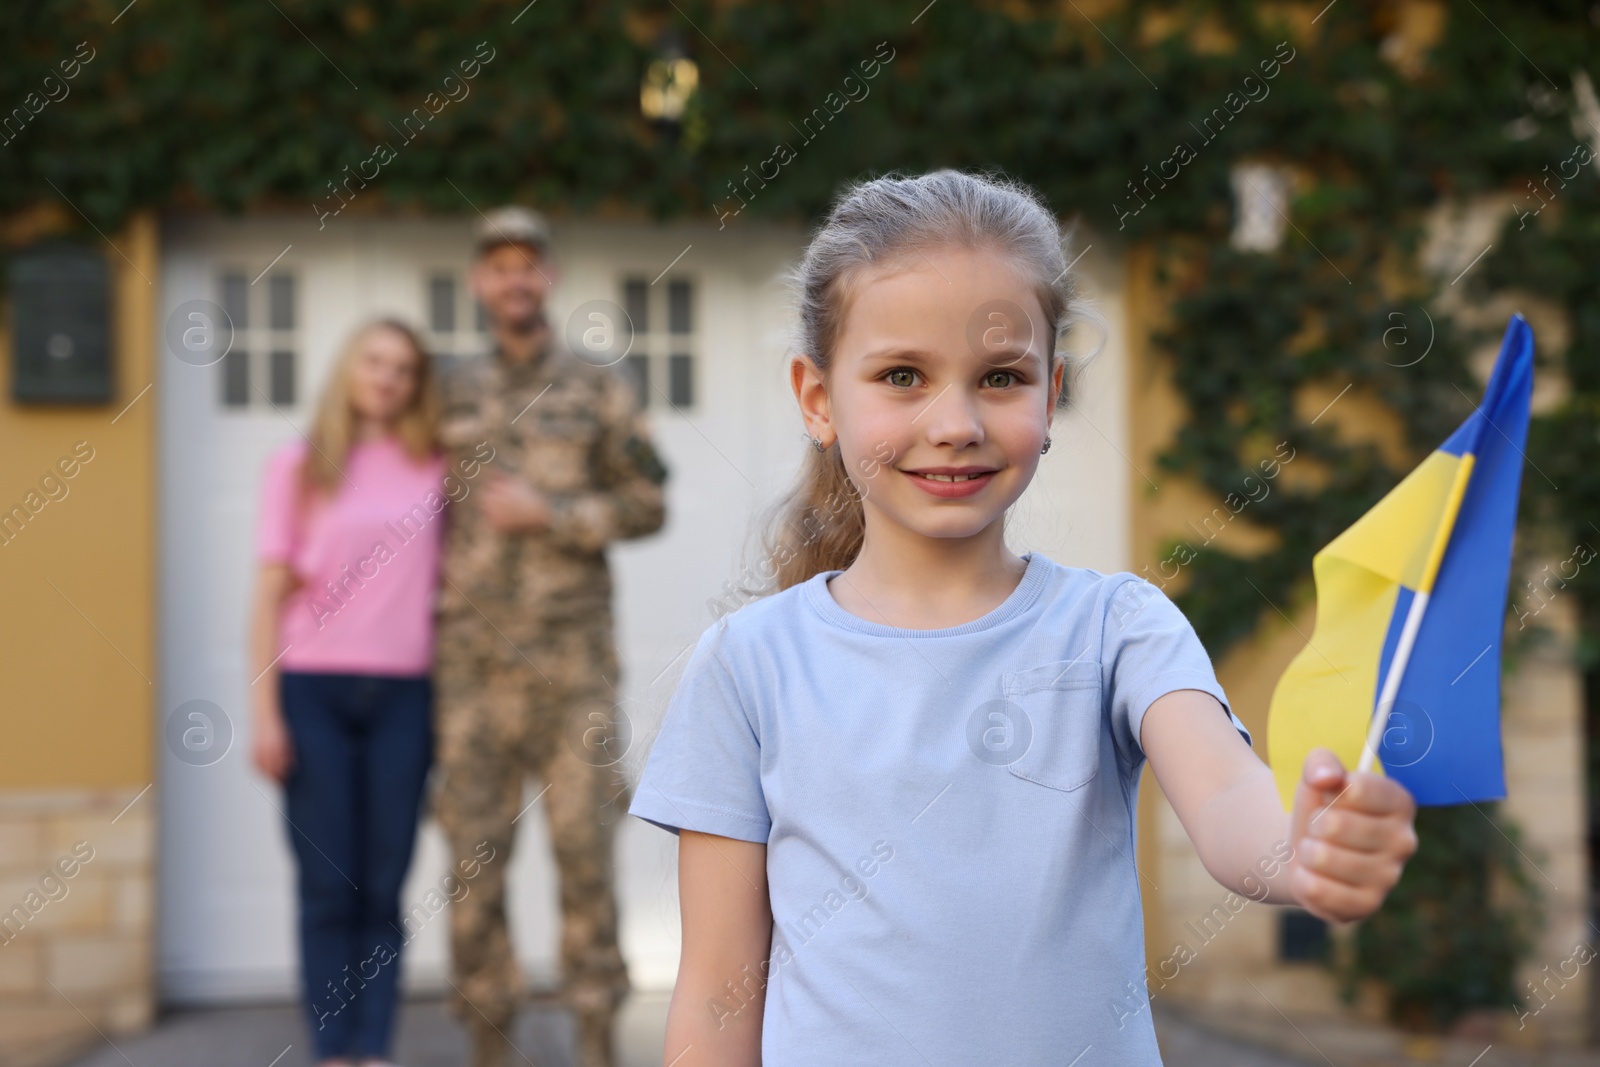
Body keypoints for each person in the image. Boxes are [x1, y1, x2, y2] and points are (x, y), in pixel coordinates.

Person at [626, 169, 1422, 1066]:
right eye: (901, 376)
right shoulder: (747, 665)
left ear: (1051, 394)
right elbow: (717, 998)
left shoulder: (1120, 628)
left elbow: (1236, 806)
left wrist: (1304, 845)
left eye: (1001, 377)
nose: (956, 420)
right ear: (818, 398)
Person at [431, 206, 670, 1067]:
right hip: (469, 672)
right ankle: (490, 1047)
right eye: (498, 266)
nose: (514, 279)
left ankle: (597, 1044)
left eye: (528, 264)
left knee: (587, 866)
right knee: (472, 874)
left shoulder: (600, 387)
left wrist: (557, 513)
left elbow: (650, 502)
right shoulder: (442, 389)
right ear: (479, 283)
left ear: (549, 277)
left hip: (574, 669)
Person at [250, 318, 447, 1067]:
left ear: (415, 383)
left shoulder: (435, 468)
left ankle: (375, 1049)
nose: (388, 377)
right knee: (329, 884)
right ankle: (333, 1049)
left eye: (403, 367)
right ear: (349, 369)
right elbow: (265, 596)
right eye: (375, 361)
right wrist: (266, 712)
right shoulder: (298, 466)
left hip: (406, 696)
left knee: (384, 885)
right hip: (313, 693)